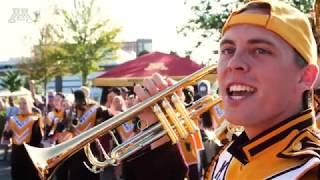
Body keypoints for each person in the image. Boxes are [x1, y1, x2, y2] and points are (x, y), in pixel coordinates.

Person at [135, 0, 320, 179]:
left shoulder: (309, 169)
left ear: (306, 77)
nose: (234, 63)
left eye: (260, 50)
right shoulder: (230, 156)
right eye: (227, 50)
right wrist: (157, 128)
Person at [1, 96, 43, 180]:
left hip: (30, 155)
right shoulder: (12, 119)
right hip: (16, 154)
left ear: (30, 105)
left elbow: (38, 140)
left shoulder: (35, 119)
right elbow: (5, 139)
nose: (22, 105)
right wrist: (7, 132)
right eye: (20, 103)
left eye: (25, 103)